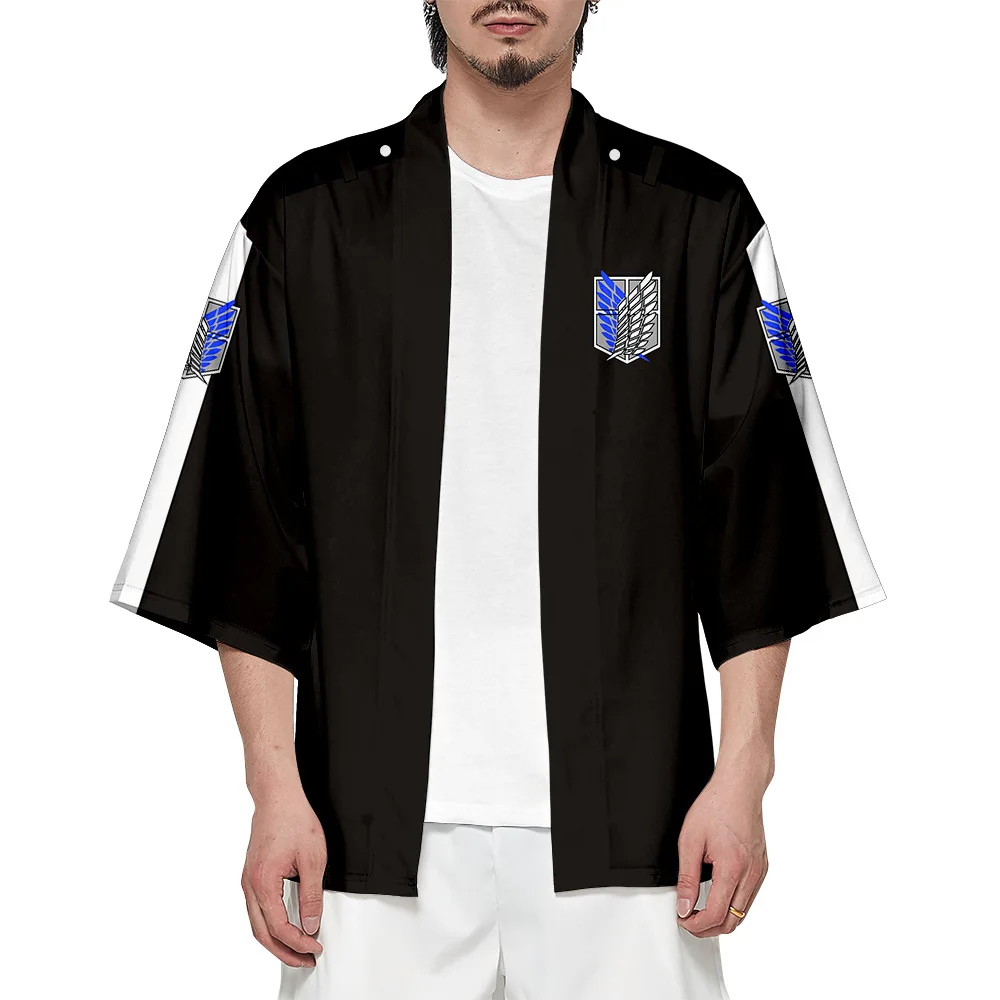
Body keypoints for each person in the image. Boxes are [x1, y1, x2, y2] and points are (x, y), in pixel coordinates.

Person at [110, 2, 884, 997]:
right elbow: (248, 530)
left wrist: (743, 777)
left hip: (635, 830)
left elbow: (760, 528)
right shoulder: (311, 220)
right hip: (366, 834)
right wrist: (273, 790)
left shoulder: (694, 218)